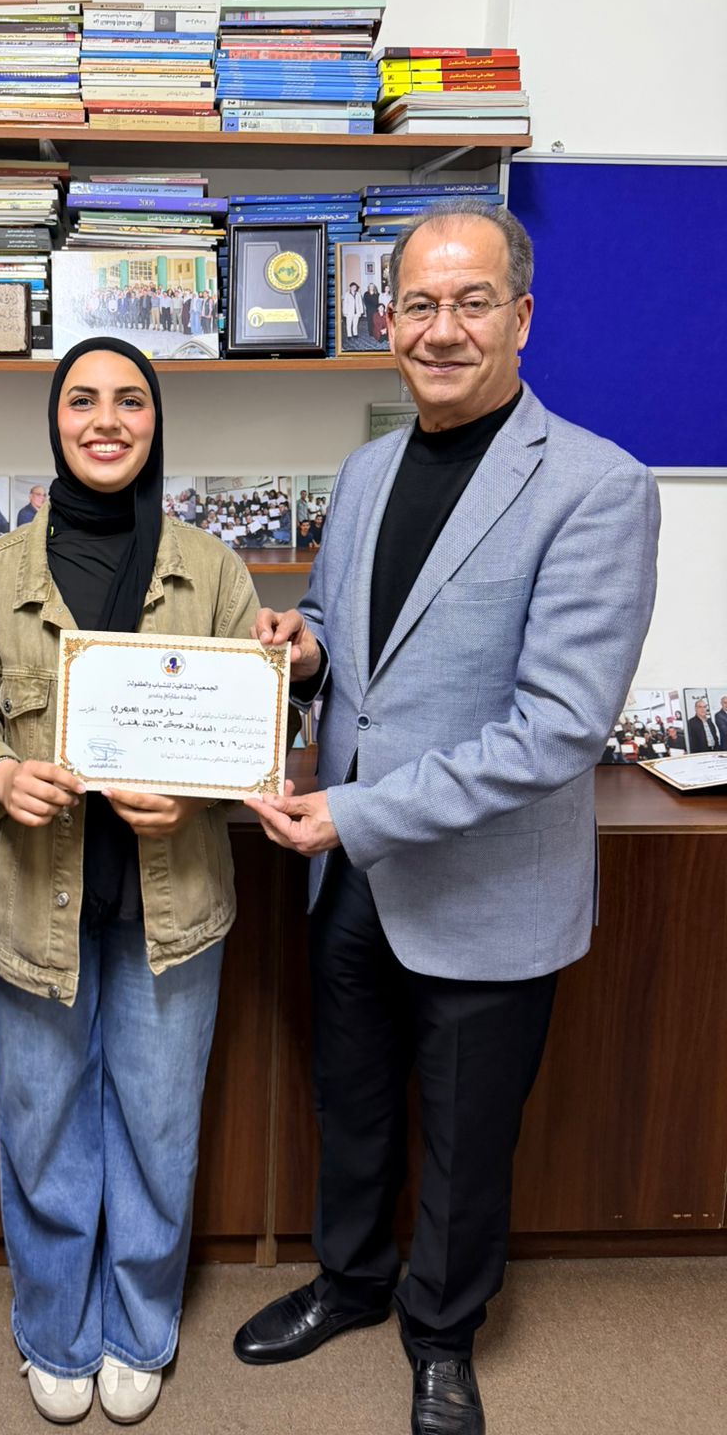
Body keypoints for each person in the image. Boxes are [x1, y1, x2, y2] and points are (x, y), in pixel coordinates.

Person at [233, 202, 660, 1435]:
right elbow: (347, 635)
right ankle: (351, 1281)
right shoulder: (368, 469)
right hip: (352, 875)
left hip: (481, 883)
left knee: (469, 1141)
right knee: (352, 1100)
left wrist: (356, 811)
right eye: (418, 303)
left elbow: (558, 728)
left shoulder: (597, 485)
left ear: (521, 317)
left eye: (472, 302)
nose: (442, 328)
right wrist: (305, 646)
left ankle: (442, 1334)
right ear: (390, 321)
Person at [0, 337, 260, 1427]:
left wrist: (196, 797)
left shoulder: (214, 573)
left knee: (158, 1129)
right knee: (44, 1127)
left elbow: (254, 733)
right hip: (32, 910)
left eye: (130, 401)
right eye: (83, 400)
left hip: (170, 908)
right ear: (55, 421)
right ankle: (55, 1328)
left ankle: (140, 1326)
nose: (106, 420)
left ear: (156, 420)